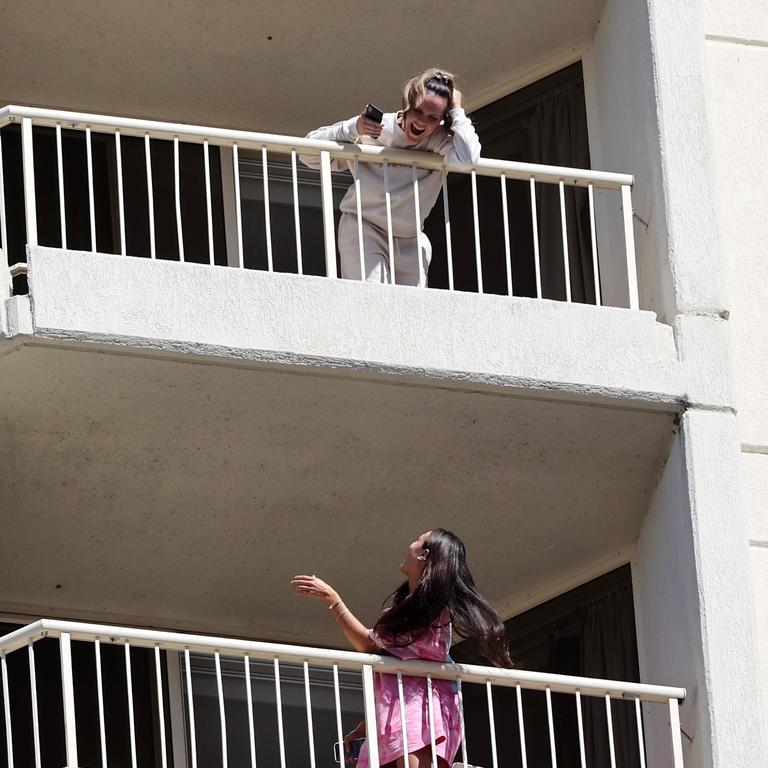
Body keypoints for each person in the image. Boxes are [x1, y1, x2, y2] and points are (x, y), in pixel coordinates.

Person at [291, 529, 511, 768]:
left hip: (420, 716)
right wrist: (367, 726)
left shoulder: (432, 608)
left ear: (424, 555)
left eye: (418, 540)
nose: (411, 543)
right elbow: (395, 670)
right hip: (403, 717)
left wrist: (333, 600)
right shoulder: (415, 606)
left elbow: (369, 645)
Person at [301, 69, 481, 287]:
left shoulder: (439, 140)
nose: (422, 122)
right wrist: (351, 129)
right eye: (418, 111)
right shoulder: (376, 127)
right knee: (372, 301)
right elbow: (307, 152)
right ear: (408, 103)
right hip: (364, 229)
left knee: (409, 313)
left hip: (410, 238)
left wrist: (458, 112)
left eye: (433, 118)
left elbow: (468, 160)